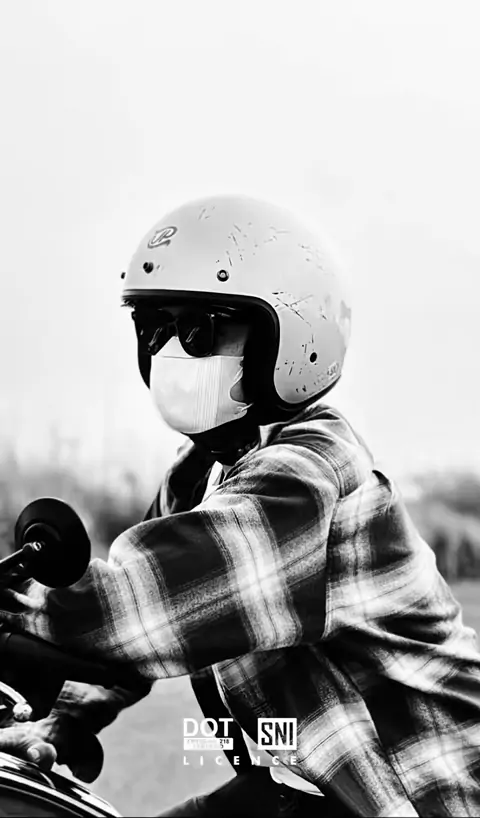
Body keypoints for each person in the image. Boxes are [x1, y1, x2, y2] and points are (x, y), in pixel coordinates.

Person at [0, 194, 479, 817]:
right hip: (309, 789)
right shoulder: (199, 475)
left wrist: (17, 606)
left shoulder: (308, 475)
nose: (172, 351)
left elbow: (146, 606)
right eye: (155, 327)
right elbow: (130, 647)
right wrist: (61, 720)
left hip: (425, 794)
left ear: (291, 341)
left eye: (202, 329)